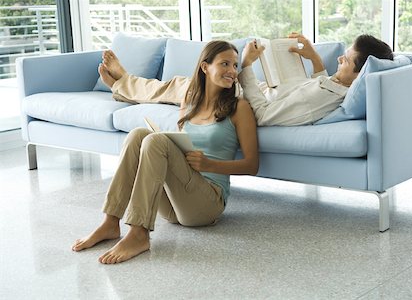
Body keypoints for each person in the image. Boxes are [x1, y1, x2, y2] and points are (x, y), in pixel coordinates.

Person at [72, 40, 259, 264]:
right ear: (205, 67)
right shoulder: (189, 102)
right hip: (175, 204)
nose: (232, 71)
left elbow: (252, 165)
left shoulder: (240, 107)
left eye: (235, 66)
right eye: (225, 64)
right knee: (139, 135)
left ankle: (139, 234)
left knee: (157, 142)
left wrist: (209, 165)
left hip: (207, 204)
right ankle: (110, 222)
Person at [239, 33, 394, 126]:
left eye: (346, 60)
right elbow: (323, 86)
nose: (339, 58)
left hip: (240, 99)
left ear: (359, 75)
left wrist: (246, 65)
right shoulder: (336, 86)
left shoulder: (318, 99)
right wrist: (314, 57)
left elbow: (263, 115)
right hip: (257, 88)